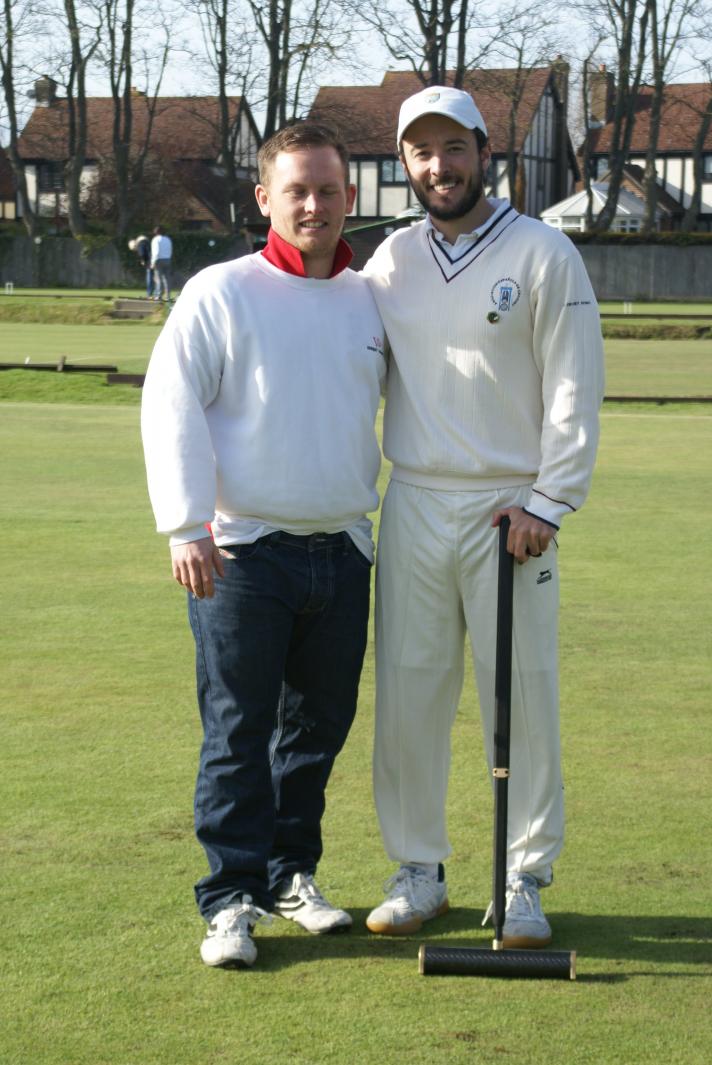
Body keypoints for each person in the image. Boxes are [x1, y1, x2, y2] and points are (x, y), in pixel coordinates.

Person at [362, 85, 605, 947]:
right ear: (405, 164)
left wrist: (550, 498)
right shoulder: (388, 262)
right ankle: (418, 868)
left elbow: (575, 385)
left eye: (453, 147)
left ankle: (523, 876)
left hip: (512, 508)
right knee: (409, 692)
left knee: (524, 695)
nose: (440, 166)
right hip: (416, 499)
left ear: (483, 149)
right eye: (422, 152)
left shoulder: (544, 252)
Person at [141, 123, 386, 969]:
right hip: (243, 553)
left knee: (316, 731)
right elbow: (170, 404)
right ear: (264, 199)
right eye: (297, 191)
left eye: (328, 189)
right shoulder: (222, 291)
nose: (314, 204)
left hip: (344, 549)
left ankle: (291, 873)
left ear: (350, 196)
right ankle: (229, 897)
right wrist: (185, 522)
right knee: (239, 732)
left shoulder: (368, 296)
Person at [150, 225, 173, 301]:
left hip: (159, 259)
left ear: (156, 232)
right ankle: (168, 296)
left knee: (158, 278)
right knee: (167, 278)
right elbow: (170, 250)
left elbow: (156, 251)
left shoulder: (156, 240)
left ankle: (158, 295)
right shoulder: (168, 239)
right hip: (167, 259)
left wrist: (153, 262)